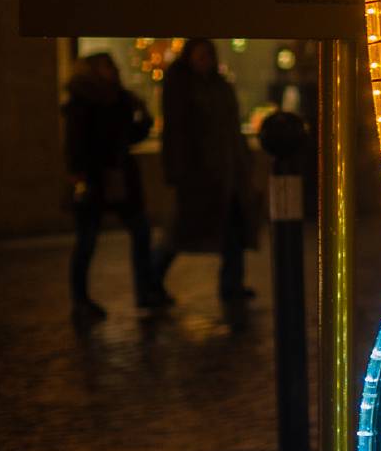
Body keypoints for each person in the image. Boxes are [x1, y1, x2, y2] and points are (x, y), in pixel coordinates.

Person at [63, 52, 164, 319]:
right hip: (95, 177)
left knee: (140, 231)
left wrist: (144, 117)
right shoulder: (82, 102)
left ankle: (145, 291)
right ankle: (80, 300)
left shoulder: (120, 98)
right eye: (107, 66)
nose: (113, 70)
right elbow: (75, 143)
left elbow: (131, 135)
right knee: (87, 239)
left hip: (120, 176)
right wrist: (78, 176)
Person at [159, 38, 256, 303]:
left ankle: (232, 284)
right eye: (199, 56)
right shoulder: (182, 87)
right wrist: (178, 171)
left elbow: (232, 127)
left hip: (228, 170)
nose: (205, 61)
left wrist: (242, 161)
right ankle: (152, 279)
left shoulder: (220, 86)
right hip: (200, 172)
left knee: (233, 230)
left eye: (207, 56)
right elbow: (176, 133)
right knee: (182, 231)